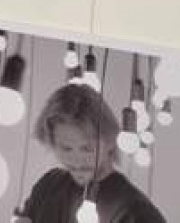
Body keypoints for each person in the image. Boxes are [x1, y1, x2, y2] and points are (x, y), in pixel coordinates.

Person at [17, 84, 166, 222]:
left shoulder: (136, 211)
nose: (76, 160)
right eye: (66, 148)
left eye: (87, 148)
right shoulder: (48, 186)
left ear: (110, 141)